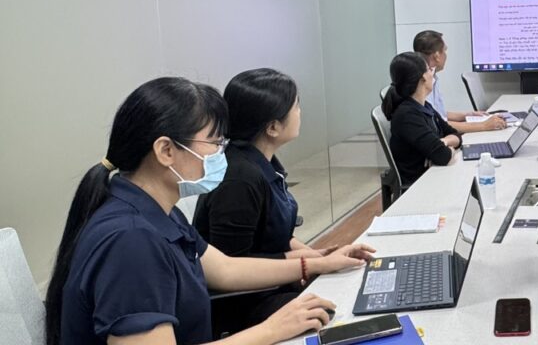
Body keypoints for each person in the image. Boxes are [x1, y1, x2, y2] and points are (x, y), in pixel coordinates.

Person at [45, 77, 375, 345]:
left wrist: (317, 262)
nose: (221, 154)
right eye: (215, 143)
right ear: (166, 150)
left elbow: (226, 269)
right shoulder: (131, 241)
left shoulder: (156, 210)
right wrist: (272, 329)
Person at [193, 68, 333, 337]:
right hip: (247, 302)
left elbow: (275, 235)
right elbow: (233, 264)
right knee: (332, 313)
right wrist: (307, 263)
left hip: (274, 283)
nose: (300, 112)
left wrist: (318, 256)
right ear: (272, 127)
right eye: (296, 106)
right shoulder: (240, 178)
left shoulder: (263, 164)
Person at [383, 52, 461, 185]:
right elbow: (444, 156)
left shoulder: (425, 106)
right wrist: (445, 149)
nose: (432, 74)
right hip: (421, 185)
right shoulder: (407, 116)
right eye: (430, 70)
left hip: (435, 175)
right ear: (423, 77)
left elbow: (456, 135)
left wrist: (445, 141)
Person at [412, 30, 506, 133]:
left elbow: (439, 114)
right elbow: (438, 124)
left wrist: (467, 115)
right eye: (445, 50)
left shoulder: (431, 77)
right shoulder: (423, 83)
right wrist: (483, 125)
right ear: (437, 56)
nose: (446, 55)